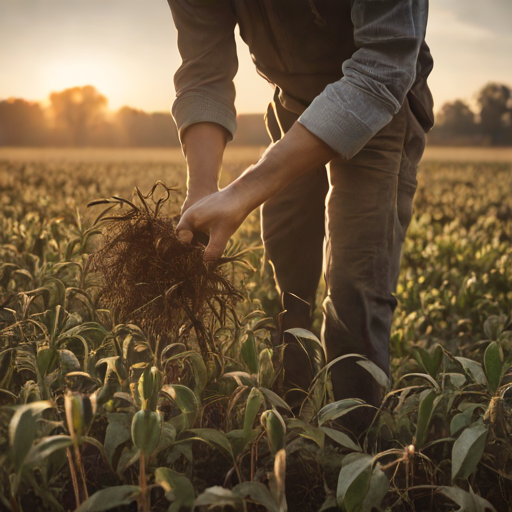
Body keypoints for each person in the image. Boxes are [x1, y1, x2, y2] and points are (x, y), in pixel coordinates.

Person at [167, 0, 434, 422]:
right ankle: (289, 411)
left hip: (381, 102)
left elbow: (382, 68)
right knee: (288, 267)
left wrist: (244, 189)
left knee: (353, 287)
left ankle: (352, 443)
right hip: (293, 103)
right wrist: (201, 189)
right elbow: (204, 74)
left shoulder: (378, 80)